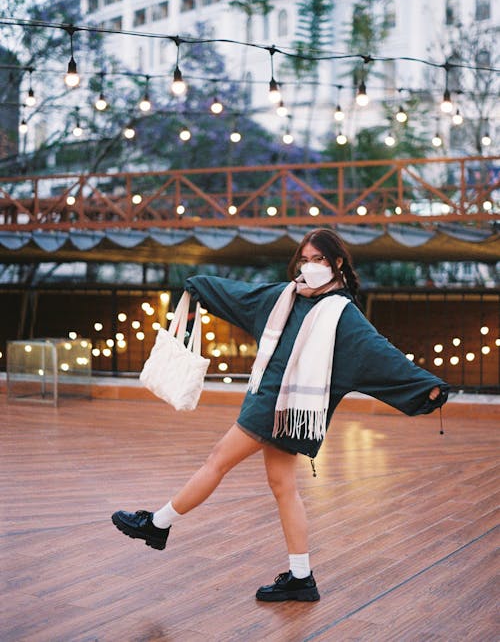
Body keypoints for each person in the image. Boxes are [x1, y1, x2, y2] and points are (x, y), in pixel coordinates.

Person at [112, 228, 448, 603]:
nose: (309, 266)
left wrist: (425, 386)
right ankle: (301, 577)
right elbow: (241, 295)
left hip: (274, 408)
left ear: (337, 263)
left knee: (217, 461)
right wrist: (200, 285)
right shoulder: (285, 296)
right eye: (304, 259)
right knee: (283, 487)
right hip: (290, 412)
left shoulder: (342, 314)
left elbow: (379, 353)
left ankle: (157, 524)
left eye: (318, 259)